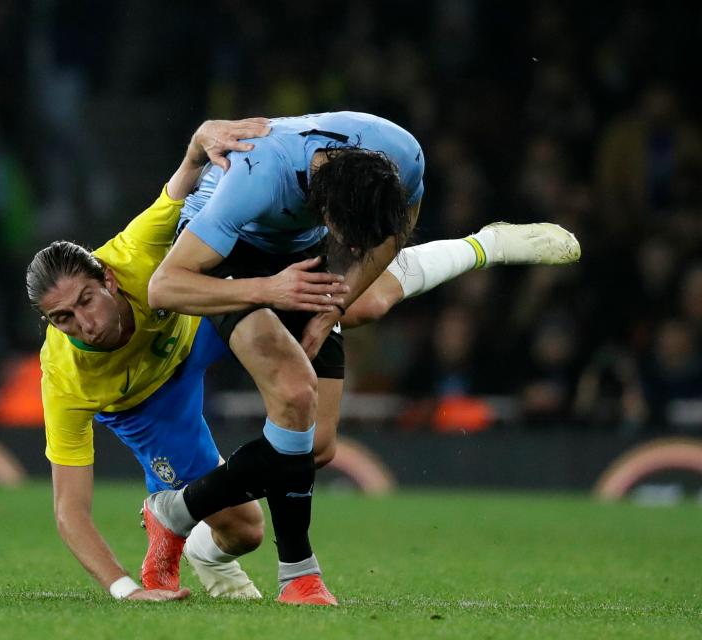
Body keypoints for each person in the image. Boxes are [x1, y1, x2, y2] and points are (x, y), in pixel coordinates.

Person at [143, 111, 581, 606]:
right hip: (231, 252)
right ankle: (298, 577)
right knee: (294, 394)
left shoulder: (403, 156)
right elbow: (165, 286)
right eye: (348, 239)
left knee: (317, 443)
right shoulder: (254, 179)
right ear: (323, 207)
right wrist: (271, 289)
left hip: (295, 244)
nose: (354, 249)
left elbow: (392, 233)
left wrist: (329, 312)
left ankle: (176, 515)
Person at [29, 118, 272, 602]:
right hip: (149, 407)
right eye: (63, 319)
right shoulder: (64, 379)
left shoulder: (135, 250)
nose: (86, 325)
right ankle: (180, 525)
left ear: (110, 281)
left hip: (197, 327)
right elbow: (69, 512)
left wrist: (202, 135)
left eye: (86, 301)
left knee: (293, 310)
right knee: (246, 531)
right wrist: (125, 591)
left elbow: (189, 171)